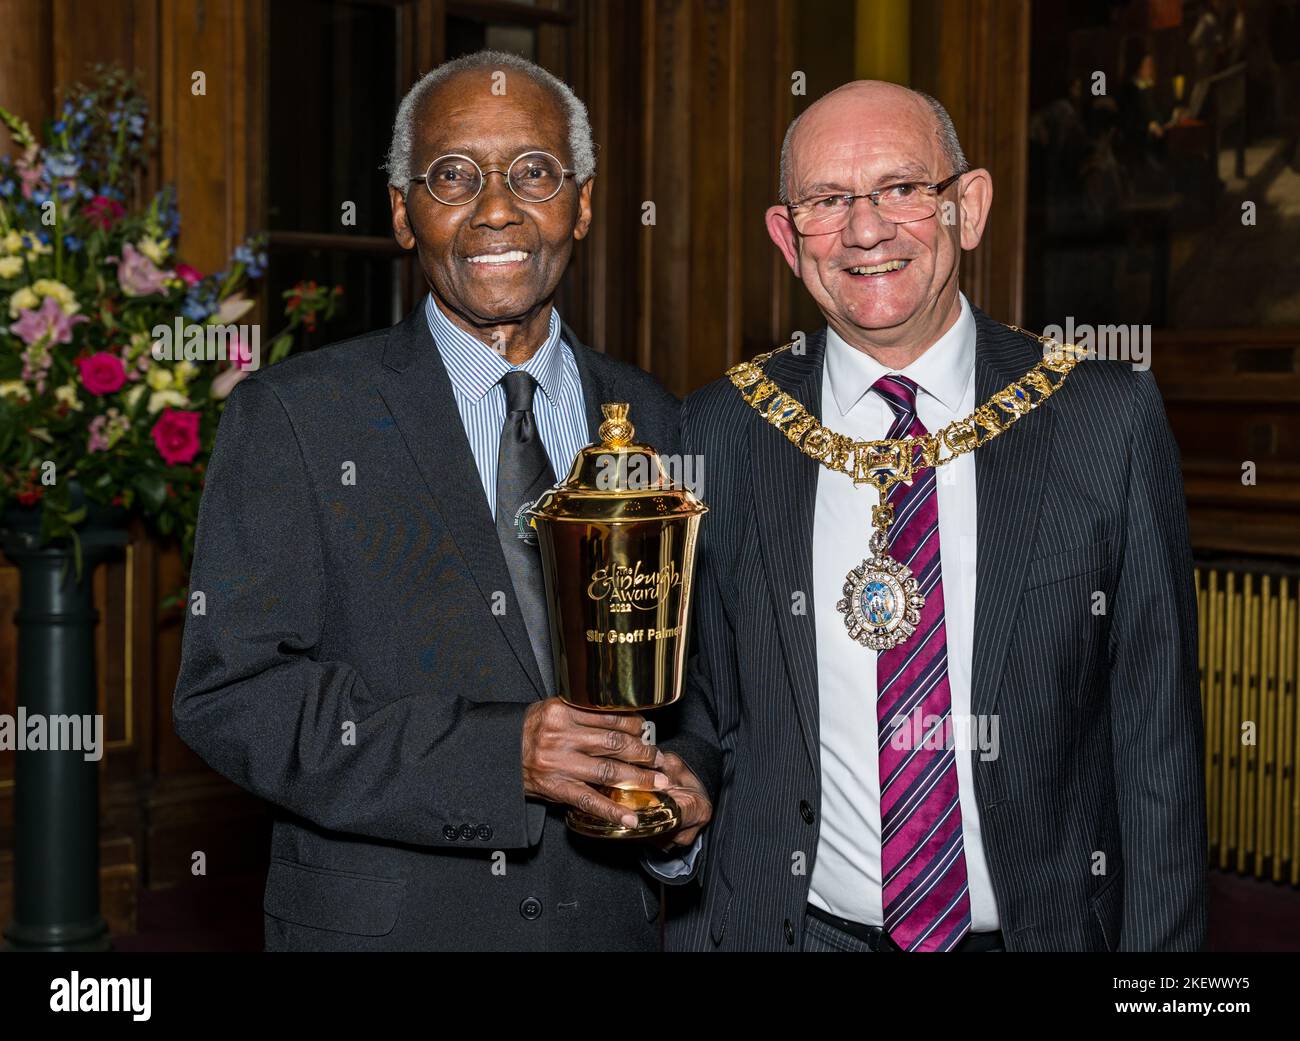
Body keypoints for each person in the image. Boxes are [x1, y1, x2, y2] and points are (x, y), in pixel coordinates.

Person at [173, 49, 717, 952]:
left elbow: (705, 686)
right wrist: (496, 758)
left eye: (534, 172)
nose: (496, 207)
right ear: (401, 213)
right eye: (452, 175)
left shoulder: (661, 419)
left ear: (582, 203)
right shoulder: (296, 417)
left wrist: (684, 791)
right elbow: (232, 694)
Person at [667, 80, 1206, 952]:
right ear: (785, 236)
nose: (866, 228)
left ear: (970, 206)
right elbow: (701, 716)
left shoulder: (1105, 420)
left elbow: (1159, 753)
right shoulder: (720, 430)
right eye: (826, 201)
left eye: (903, 189)